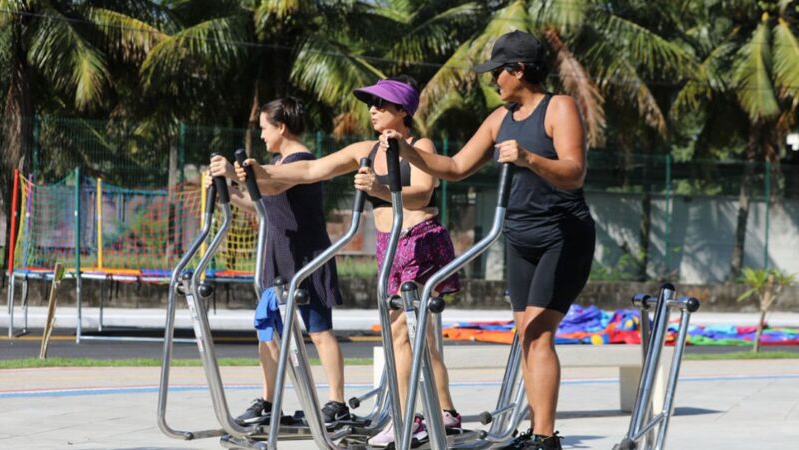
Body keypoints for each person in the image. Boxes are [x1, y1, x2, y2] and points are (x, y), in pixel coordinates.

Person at [378, 31, 596, 450]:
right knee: (525, 335)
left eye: (498, 72)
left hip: (562, 234)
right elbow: (456, 166)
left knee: (538, 335)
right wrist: (406, 153)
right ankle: (536, 432)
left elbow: (574, 172)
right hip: (520, 236)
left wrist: (530, 158)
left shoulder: (559, 107)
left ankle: (545, 436)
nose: (493, 81)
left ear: (518, 70)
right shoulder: (500, 118)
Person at [235, 76, 462, 448]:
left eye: (381, 105)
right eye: (370, 104)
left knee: (403, 334)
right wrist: (262, 173)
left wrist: (378, 189)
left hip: (421, 241)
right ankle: (448, 413)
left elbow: (421, 193)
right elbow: (309, 170)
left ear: (403, 111)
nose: (372, 110)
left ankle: (407, 420)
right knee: (420, 338)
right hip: (389, 246)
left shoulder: (420, 145)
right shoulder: (366, 149)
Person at [207, 97, 350, 427]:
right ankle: (269, 401)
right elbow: (262, 202)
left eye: (264, 129)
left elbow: (276, 183)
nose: (261, 136)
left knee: (318, 331)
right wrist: (225, 188)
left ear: (281, 127)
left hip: (306, 258)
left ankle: (337, 402)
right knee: (268, 332)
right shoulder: (274, 162)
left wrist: (238, 173)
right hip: (278, 258)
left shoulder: (300, 161)